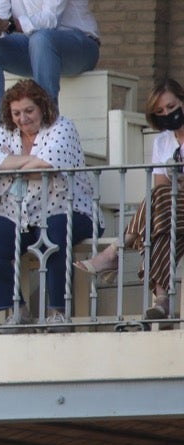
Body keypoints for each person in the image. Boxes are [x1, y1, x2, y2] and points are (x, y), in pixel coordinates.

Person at [0, 80, 98, 327]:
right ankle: (17, 309)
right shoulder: (6, 132)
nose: (23, 118)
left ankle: (58, 311)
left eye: (29, 111)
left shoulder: (62, 126)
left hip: (69, 210)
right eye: (16, 113)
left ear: (42, 107)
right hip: (19, 214)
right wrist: (32, 161)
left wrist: (11, 165)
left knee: (54, 232)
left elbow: (48, 164)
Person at [78, 78, 184, 322]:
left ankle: (115, 251)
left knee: (157, 214)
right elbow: (160, 185)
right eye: (160, 112)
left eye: (171, 107)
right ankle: (161, 302)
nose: (167, 114)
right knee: (156, 230)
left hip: (174, 204)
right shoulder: (163, 141)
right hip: (173, 208)